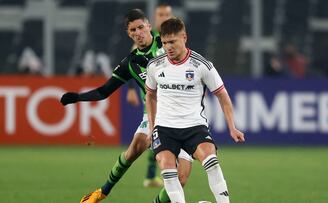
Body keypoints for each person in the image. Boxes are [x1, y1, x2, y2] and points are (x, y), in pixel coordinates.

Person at [60, 9, 191, 203]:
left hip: (183, 116)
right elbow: (103, 92)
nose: (138, 32)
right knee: (133, 151)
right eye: (133, 30)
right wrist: (77, 97)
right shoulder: (130, 63)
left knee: (181, 178)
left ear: (149, 26)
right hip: (156, 115)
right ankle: (102, 192)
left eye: (140, 27)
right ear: (129, 34)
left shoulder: (165, 43)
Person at [145, 18, 245, 203]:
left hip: (194, 126)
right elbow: (150, 96)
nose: (168, 47)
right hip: (165, 127)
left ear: (184, 38)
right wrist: (152, 127)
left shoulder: (202, 65)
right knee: (168, 169)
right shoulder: (155, 66)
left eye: (172, 42)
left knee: (211, 161)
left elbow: (223, 96)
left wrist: (232, 127)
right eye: (165, 43)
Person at [125, 3, 174, 188]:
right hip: (151, 93)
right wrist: (130, 89)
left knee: (158, 133)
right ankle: (158, 173)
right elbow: (132, 61)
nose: (164, 17)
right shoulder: (145, 36)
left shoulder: (171, 36)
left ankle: (153, 174)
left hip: (171, 94)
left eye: (167, 14)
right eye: (161, 14)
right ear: (154, 18)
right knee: (156, 131)